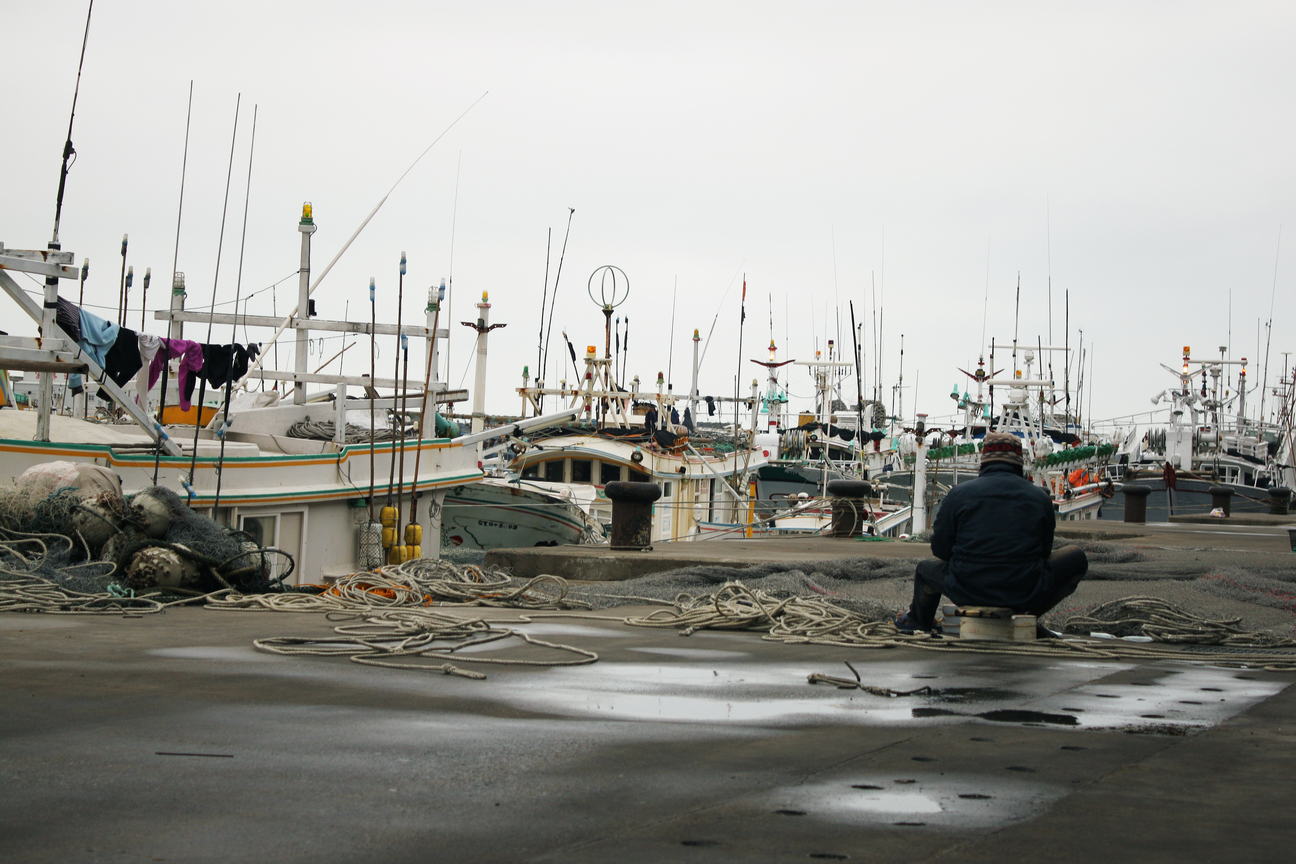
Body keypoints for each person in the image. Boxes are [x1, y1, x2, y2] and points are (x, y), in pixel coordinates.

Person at [895, 431, 1088, 636]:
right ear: (1019, 462)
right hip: (1024, 590)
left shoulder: (959, 494)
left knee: (925, 570)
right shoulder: (1040, 498)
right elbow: (1044, 551)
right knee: (1076, 558)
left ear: (984, 460)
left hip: (967, 589)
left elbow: (940, 550)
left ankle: (919, 621)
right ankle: (1029, 617)